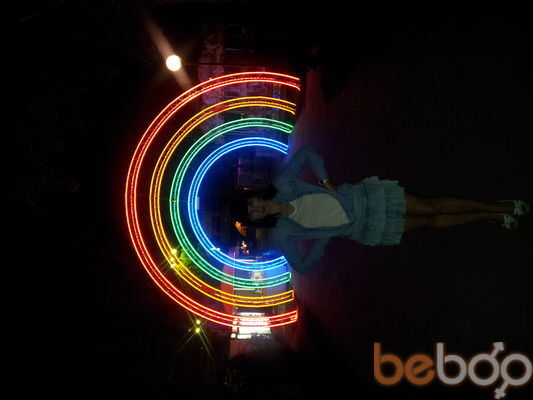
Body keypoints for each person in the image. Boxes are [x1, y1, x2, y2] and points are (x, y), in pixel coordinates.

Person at [229, 145, 529, 274]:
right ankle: (490, 217)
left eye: (251, 203)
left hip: (369, 199)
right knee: (429, 223)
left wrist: (325, 181)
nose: (256, 208)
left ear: (254, 196)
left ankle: (497, 205)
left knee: (431, 206)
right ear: (256, 220)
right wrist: (325, 237)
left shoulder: (283, 184)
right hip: (366, 228)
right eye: (252, 214)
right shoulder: (282, 234)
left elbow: (307, 153)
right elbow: (303, 266)